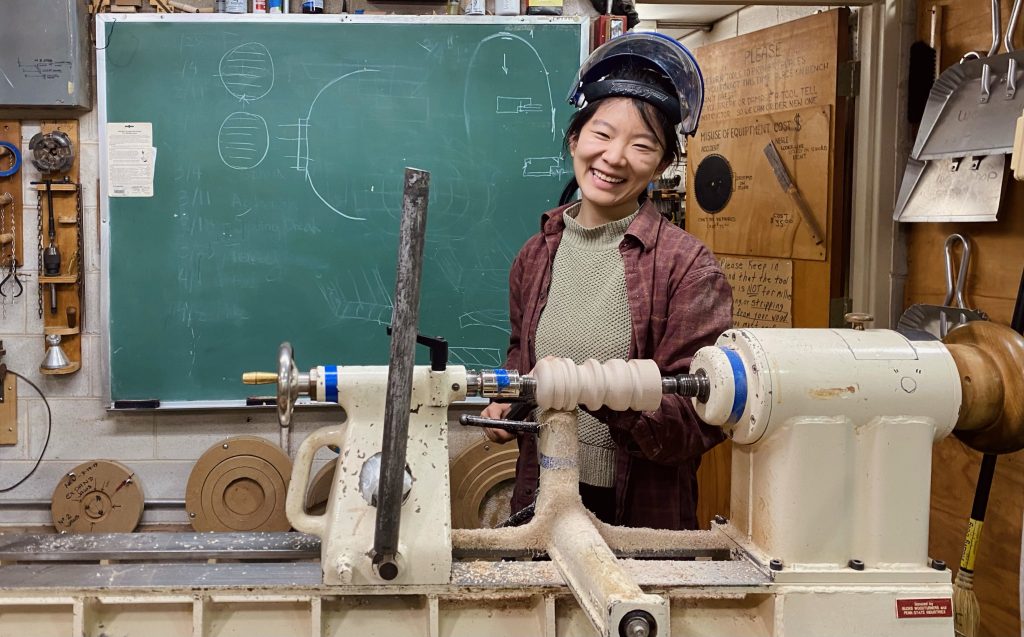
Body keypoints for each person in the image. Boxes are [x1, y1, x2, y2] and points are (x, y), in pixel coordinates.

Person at [480, 32, 733, 531]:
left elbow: (699, 418)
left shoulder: (688, 269)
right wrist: (509, 400)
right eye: (602, 134)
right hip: (543, 494)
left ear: (662, 165)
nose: (614, 157)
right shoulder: (537, 254)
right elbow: (521, 355)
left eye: (642, 145)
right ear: (575, 138)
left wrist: (596, 391)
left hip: (639, 510)